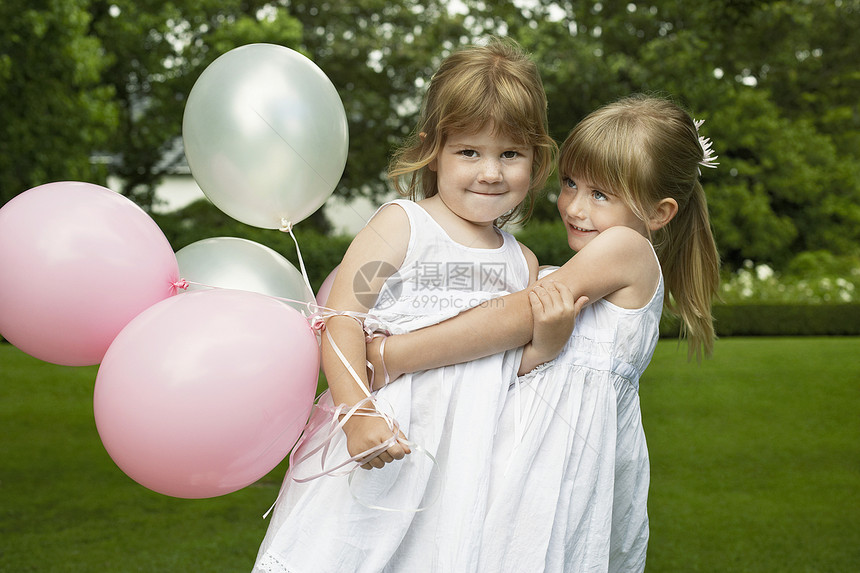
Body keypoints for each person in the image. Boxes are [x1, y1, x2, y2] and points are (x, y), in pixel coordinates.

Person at [366, 94, 722, 572]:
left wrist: (396, 355)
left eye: (601, 195)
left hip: (558, 470)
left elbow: (515, 315)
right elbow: (521, 355)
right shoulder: (589, 265)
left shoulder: (627, 248)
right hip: (528, 458)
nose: (574, 206)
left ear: (659, 213)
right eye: (571, 183)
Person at [253, 38, 559, 572]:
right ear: (433, 148)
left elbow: (513, 364)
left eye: (510, 154)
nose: (491, 172)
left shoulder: (522, 263)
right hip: (386, 435)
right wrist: (356, 412)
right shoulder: (403, 225)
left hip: (468, 453)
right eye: (470, 152)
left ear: (536, 158)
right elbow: (342, 318)